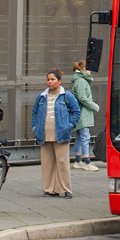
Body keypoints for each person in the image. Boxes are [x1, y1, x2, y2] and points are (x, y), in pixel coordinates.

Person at [31, 69, 80, 199]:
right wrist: (35, 128)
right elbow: (35, 112)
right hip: (44, 133)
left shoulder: (66, 95)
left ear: (59, 81)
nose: (49, 82)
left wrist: (70, 126)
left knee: (62, 162)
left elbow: (76, 111)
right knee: (47, 163)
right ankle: (49, 190)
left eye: (52, 79)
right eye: (48, 79)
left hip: (61, 133)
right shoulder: (41, 96)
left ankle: (65, 189)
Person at [69, 60, 99, 171]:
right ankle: (87, 160)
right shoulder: (81, 81)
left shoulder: (79, 80)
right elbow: (82, 97)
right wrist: (94, 106)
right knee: (85, 136)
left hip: (80, 111)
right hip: (82, 112)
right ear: (84, 69)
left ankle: (78, 160)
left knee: (80, 136)